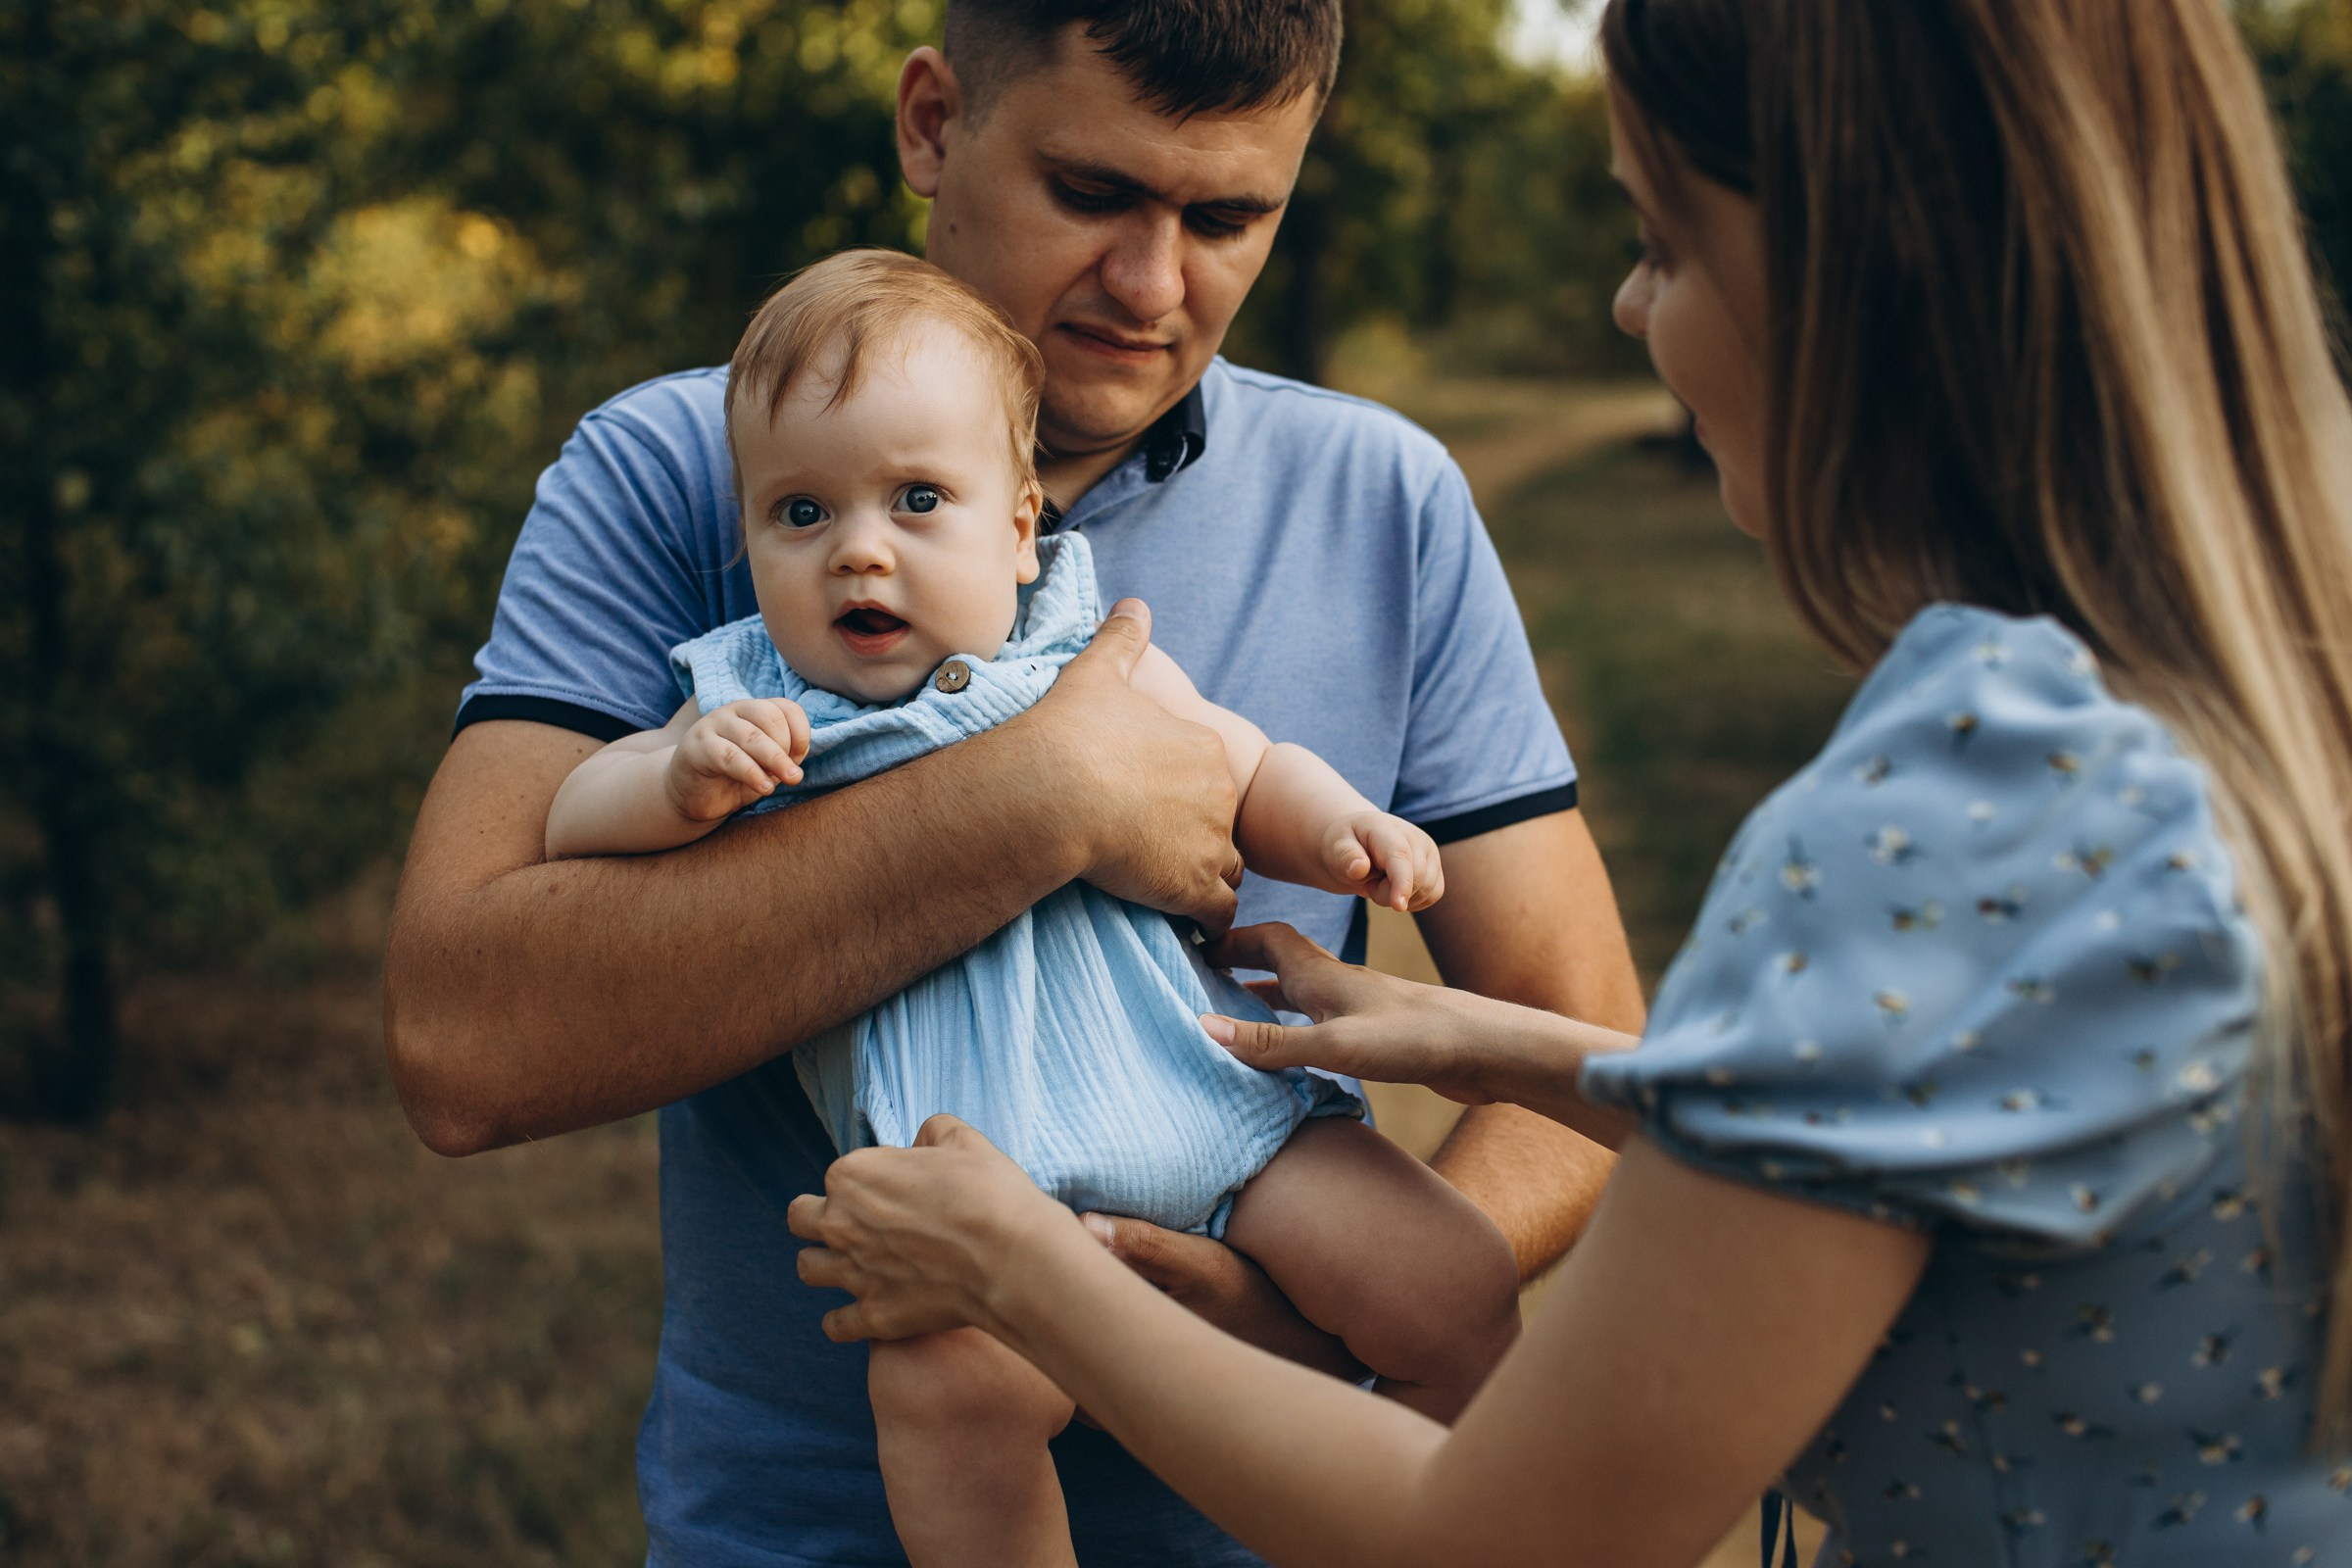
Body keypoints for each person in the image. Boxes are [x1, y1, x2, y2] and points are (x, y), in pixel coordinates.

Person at [783, 0, 2352, 1563]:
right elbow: (1938, 1126)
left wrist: (1018, 1272)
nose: (1628, 304)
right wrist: (1522, 1051)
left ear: (1843, 281)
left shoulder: (1941, 819)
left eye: (1664, 243)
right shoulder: (2191, 724)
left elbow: (1505, 1535)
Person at [381, 2, 1643, 1562]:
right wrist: (1042, 801)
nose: (1153, 284)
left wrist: (1293, 1316)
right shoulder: (689, 470)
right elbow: (462, 1044)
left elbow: (1580, 1050)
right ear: (933, 125)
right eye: (1093, 193)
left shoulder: (1387, 501)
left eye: (1228, 218)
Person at [544, 247, 1519, 1565]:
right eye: (800, 514)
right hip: (972, 1202)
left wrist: (1344, 827)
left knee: (1455, 1281)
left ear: (1017, 532)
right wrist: (672, 781)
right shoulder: (749, 701)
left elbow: (1241, 766)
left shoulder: (1082, 648)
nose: (859, 551)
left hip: (1221, 1112)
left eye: (918, 500)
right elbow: (571, 815)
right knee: (950, 1403)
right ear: (751, 541)